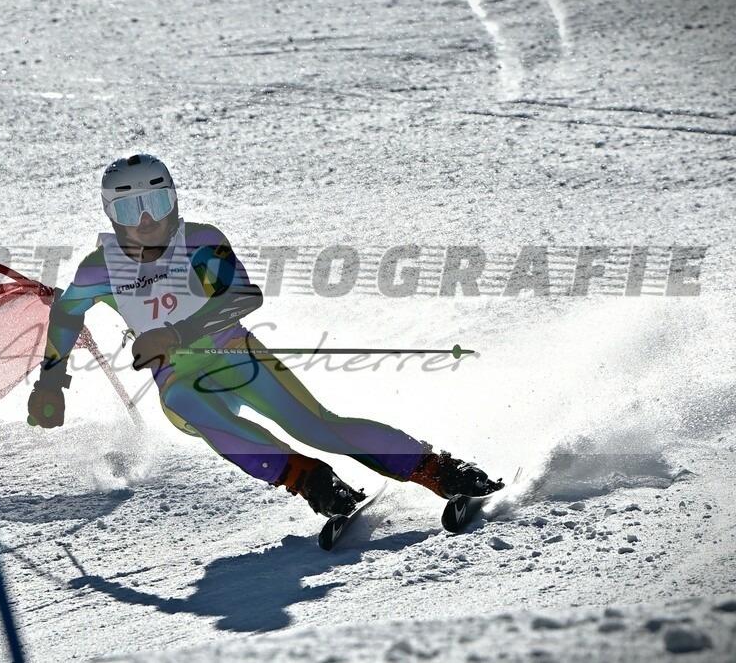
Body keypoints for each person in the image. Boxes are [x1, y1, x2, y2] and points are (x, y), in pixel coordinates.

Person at [28, 154, 502, 517]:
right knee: (188, 407)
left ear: (173, 199)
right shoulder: (99, 270)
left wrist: (174, 332)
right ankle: (311, 480)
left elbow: (240, 297)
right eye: (132, 208)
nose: (148, 219)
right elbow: (67, 316)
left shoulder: (197, 241)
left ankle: (442, 471)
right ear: (111, 213)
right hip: (180, 378)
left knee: (316, 425)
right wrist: (51, 381)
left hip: (235, 353)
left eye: (157, 201)